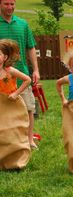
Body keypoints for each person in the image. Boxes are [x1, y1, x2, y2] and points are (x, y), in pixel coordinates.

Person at [0, 0, 40, 149]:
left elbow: (31, 48)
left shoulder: (23, 24)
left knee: (28, 108)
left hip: (21, 73)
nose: (10, 7)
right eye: (6, 4)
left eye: (12, 4)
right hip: (1, 76)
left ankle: (29, 140)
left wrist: (35, 70)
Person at [0, 39, 31, 169]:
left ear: (5, 57)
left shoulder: (10, 70)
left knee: (12, 132)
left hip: (11, 105)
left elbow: (27, 80)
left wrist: (16, 93)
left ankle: (16, 160)